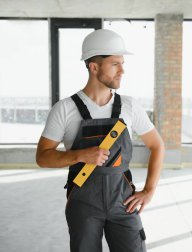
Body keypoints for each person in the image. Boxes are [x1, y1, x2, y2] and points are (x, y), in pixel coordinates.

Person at [36, 29, 165, 252]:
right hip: (83, 203)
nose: (122, 70)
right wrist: (79, 155)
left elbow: (157, 145)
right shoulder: (64, 109)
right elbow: (42, 157)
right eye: (115, 64)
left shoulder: (129, 106)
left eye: (122, 63)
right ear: (93, 67)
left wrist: (149, 191)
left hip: (123, 200)